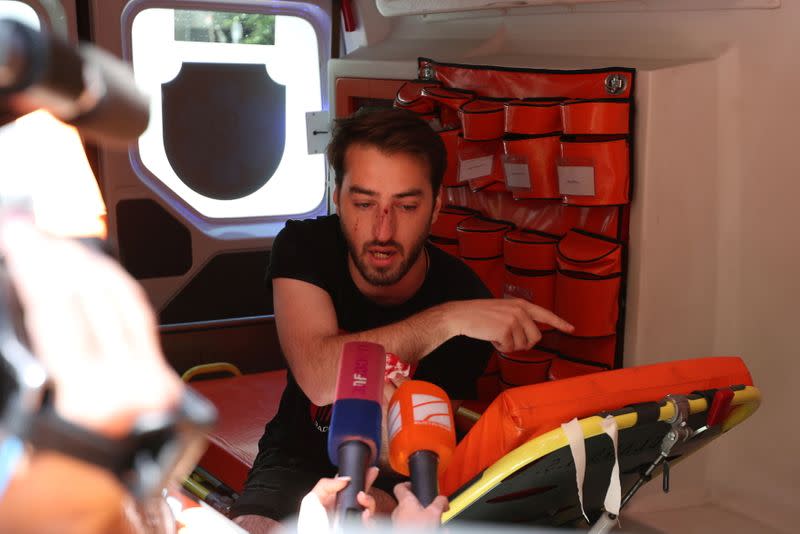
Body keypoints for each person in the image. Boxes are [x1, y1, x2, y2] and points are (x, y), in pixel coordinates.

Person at [232, 108, 574, 532]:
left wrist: (377, 502)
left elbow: (419, 456)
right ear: (337, 197)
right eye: (364, 203)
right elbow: (319, 375)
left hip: (398, 474)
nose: (382, 229)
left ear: (435, 208)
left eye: (407, 205)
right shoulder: (305, 248)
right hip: (294, 457)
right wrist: (446, 321)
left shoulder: (466, 295)